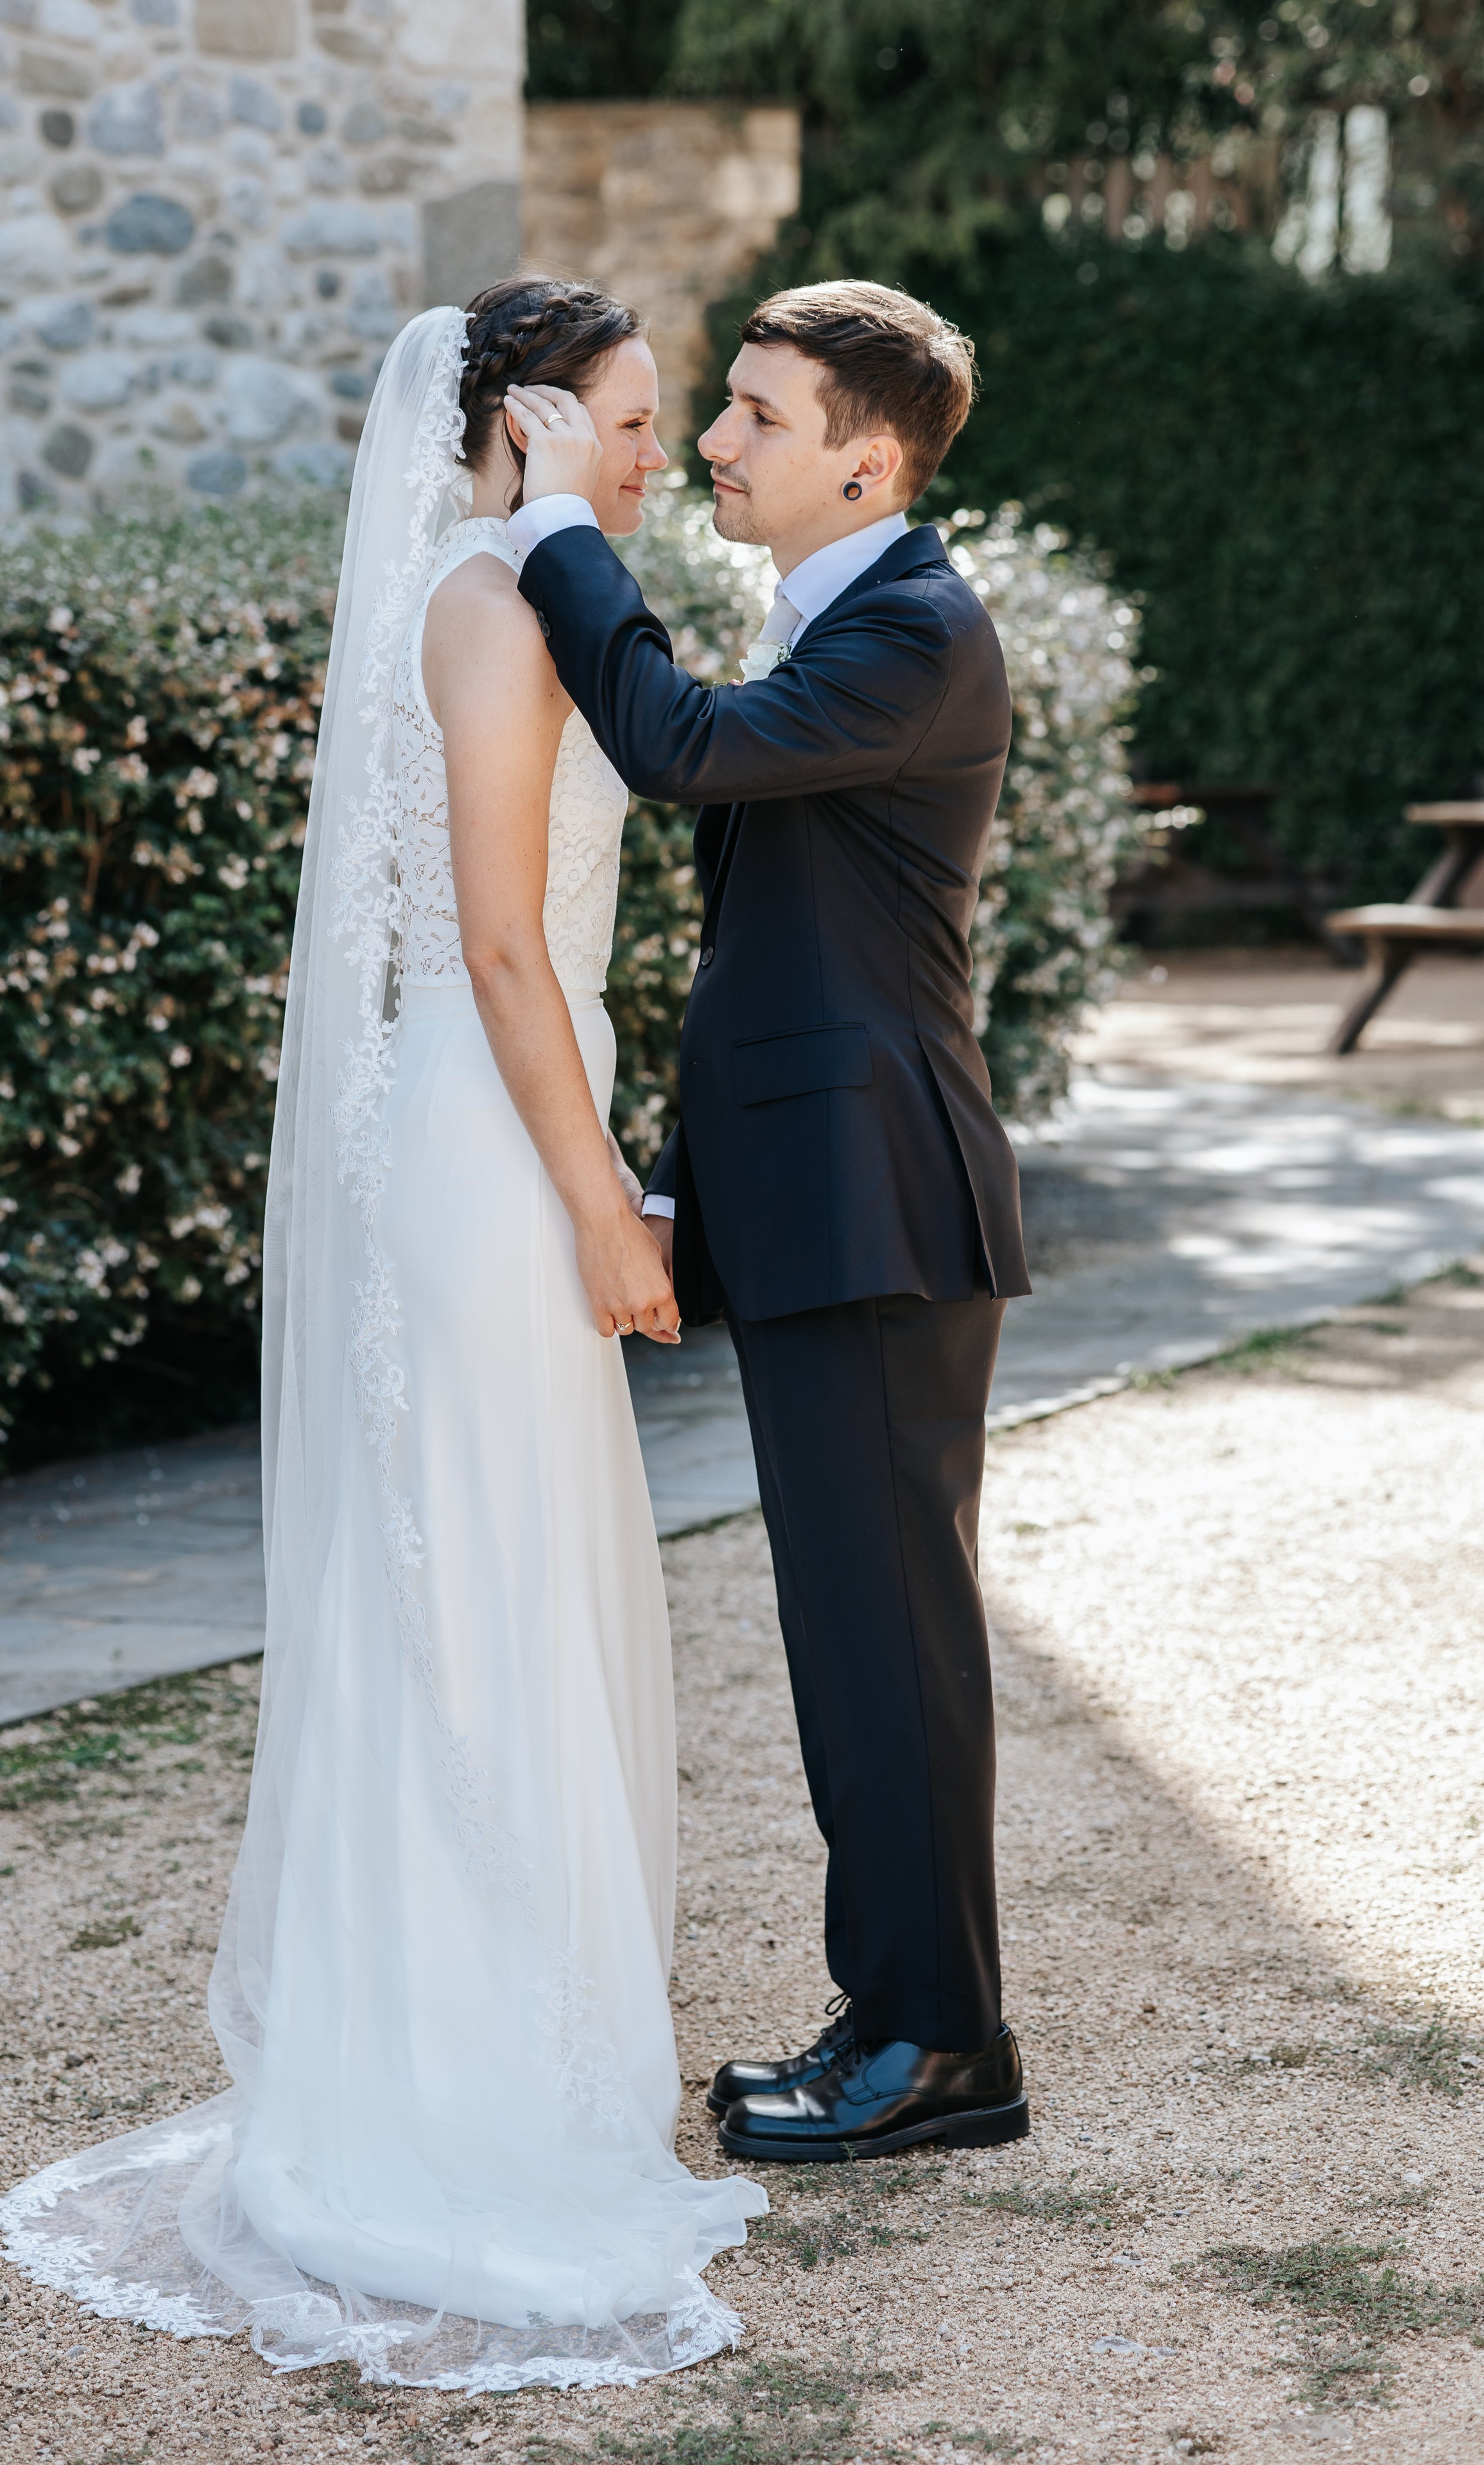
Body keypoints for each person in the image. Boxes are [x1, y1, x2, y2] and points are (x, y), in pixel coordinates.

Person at [0, 281, 764, 2392]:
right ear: (520, 418)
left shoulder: (506, 587)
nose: (647, 444)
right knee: (479, 1593)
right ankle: (460, 2096)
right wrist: (609, 1197)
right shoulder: (498, 609)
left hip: (509, 1107)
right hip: (502, 1129)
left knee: (492, 1579)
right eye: (622, 413)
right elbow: (504, 945)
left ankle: (508, 2052)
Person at [503, 278, 1032, 2164]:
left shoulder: (916, 631)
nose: (714, 442)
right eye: (718, 408)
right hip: (829, 1209)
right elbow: (782, 974)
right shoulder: (853, 620)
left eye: (756, 415)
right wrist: (678, 1195)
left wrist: (556, 529)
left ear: (865, 459)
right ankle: (893, 2011)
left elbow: (680, 747)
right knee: (851, 1636)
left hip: (885, 1216)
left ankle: (944, 2055)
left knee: (888, 1642)